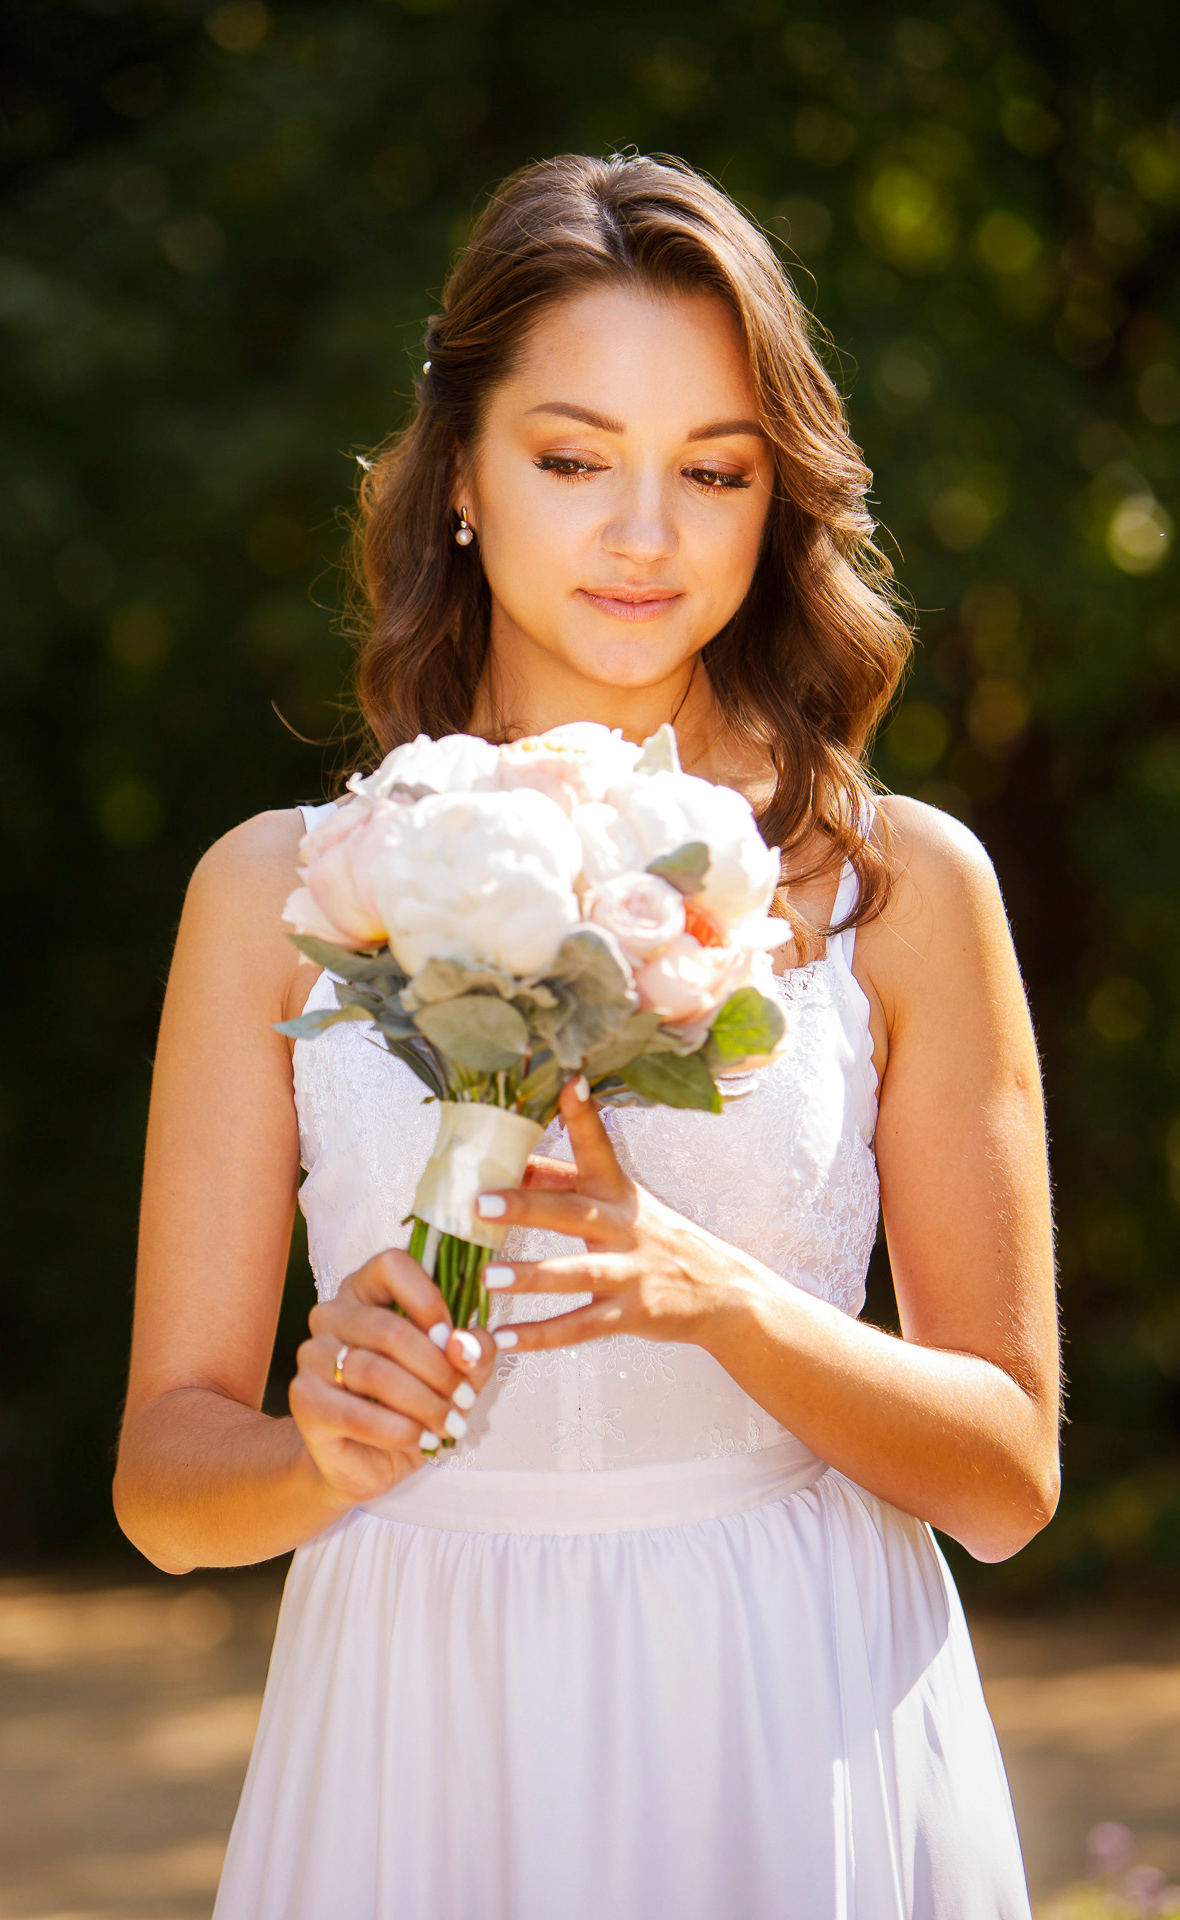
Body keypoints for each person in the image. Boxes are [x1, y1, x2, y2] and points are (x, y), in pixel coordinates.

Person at [113, 152, 1059, 1919]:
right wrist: (316, 1449)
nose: (647, 534)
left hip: (801, 1715)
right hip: (419, 1725)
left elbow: (1008, 1479)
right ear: (458, 473)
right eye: (573, 459)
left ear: (777, 503)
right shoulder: (279, 891)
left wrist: (720, 1296)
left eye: (714, 472)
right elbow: (168, 1491)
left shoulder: (902, 886)